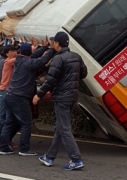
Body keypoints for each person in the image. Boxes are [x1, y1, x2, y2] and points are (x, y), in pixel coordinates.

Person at [33, 31, 88, 170]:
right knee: (60, 127)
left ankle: (76, 159)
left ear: (57, 43)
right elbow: (83, 73)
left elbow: (50, 80)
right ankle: (50, 157)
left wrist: (39, 94)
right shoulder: (76, 57)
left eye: (53, 42)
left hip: (61, 97)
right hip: (72, 97)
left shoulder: (58, 59)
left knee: (64, 129)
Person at [0, 40, 54, 156]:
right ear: (29, 52)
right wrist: (52, 49)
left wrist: (44, 47)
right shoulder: (28, 63)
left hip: (10, 95)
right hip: (20, 97)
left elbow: (35, 56)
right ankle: (24, 149)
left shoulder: (18, 60)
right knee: (26, 123)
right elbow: (42, 60)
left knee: (9, 123)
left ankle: (3, 147)